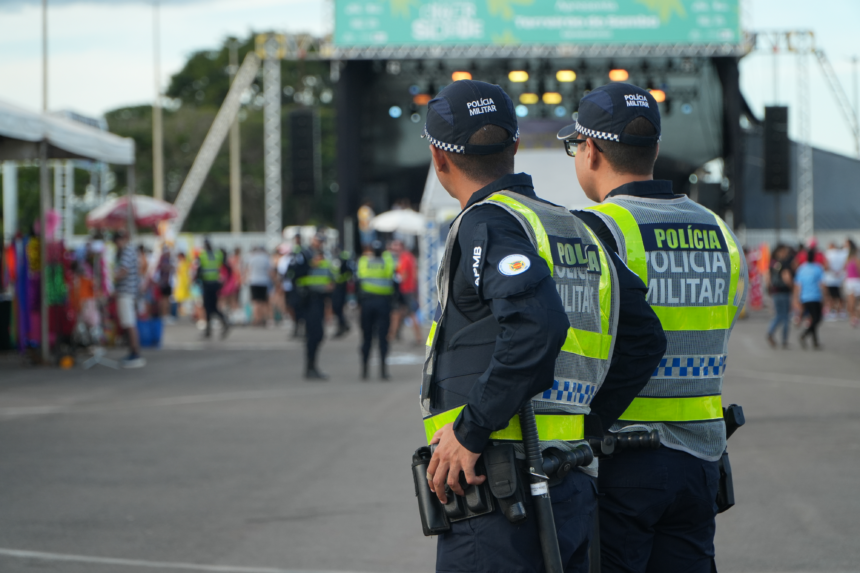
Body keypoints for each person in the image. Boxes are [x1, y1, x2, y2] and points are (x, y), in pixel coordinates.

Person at [421, 80, 664, 573]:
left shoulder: (486, 223)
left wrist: (471, 429)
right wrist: (587, 423)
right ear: (514, 147)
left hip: (497, 485)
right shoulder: (573, 226)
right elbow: (643, 337)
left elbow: (536, 325)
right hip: (568, 477)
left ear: (438, 158)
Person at [559, 82, 748, 572]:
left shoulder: (594, 231)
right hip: (703, 458)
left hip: (623, 456)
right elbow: (727, 319)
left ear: (590, 149)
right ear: (656, 149)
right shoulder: (717, 229)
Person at [295, 235, 334, 380]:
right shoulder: (304, 255)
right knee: (314, 334)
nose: (320, 243)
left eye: (322, 241)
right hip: (308, 298)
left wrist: (330, 284)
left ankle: (312, 366)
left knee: (318, 335)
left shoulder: (324, 256)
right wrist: (310, 264)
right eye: (318, 240)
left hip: (320, 299)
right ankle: (310, 367)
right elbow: (294, 274)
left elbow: (328, 275)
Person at [356, 240, 395, 380]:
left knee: (366, 337)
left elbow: (358, 279)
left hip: (367, 303)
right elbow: (392, 272)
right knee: (383, 338)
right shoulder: (387, 261)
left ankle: (364, 371)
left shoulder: (364, 262)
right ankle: (383, 371)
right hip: (383, 303)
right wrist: (386, 254)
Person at [113, 231, 145, 368]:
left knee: (129, 323)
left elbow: (124, 270)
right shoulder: (132, 250)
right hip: (130, 291)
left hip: (126, 292)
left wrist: (112, 277)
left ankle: (135, 353)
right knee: (129, 322)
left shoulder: (127, 251)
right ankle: (133, 351)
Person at [388, 239, 423, 345]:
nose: (394, 249)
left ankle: (418, 336)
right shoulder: (408, 257)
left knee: (410, 313)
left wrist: (393, 278)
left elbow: (403, 275)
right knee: (398, 312)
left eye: (396, 246)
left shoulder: (404, 257)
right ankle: (393, 334)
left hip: (405, 289)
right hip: (408, 289)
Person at [196, 238, 230, 339]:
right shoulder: (217, 255)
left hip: (207, 285)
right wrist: (224, 281)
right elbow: (227, 267)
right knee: (211, 307)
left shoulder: (202, 255)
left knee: (209, 307)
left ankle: (219, 324)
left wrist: (197, 281)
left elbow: (199, 270)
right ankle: (210, 329)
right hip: (215, 284)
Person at [794, 247, 825, 349]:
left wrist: (796, 298)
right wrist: (826, 296)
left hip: (805, 297)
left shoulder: (802, 268)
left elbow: (798, 285)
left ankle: (815, 342)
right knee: (817, 318)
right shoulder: (818, 268)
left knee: (813, 318)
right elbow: (822, 284)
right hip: (815, 296)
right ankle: (804, 335)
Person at [767, 244, 794, 348]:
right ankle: (784, 340)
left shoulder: (773, 263)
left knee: (779, 314)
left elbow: (768, 277)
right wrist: (792, 288)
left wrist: (769, 288)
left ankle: (771, 331)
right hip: (784, 291)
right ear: (780, 252)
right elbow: (786, 277)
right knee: (785, 316)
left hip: (775, 292)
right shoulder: (784, 264)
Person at [246, 245, 272, 327]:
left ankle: (257, 319)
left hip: (254, 281)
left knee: (256, 302)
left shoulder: (252, 258)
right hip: (264, 281)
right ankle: (264, 318)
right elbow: (270, 271)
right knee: (264, 301)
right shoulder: (266, 258)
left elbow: (248, 269)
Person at [332, 247, 354, 338]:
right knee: (336, 308)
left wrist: (341, 280)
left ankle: (342, 325)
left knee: (338, 307)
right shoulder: (335, 260)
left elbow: (348, 273)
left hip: (340, 287)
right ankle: (343, 324)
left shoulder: (343, 260)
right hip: (336, 287)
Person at [823, 241, 848, 319]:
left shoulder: (828, 253)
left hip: (830, 278)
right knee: (839, 296)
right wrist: (839, 272)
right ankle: (841, 311)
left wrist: (833, 271)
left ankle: (832, 311)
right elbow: (845, 264)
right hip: (840, 278)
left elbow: (826, 265)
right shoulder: (841, 253)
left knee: (830, 296)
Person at [844, 239, 860, 328]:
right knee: (855, 302)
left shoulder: (849, 260)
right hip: (855, 281)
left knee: (851, 301)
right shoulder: (855, 259)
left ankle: (853, 317)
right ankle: (854, 317)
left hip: (851, 281)